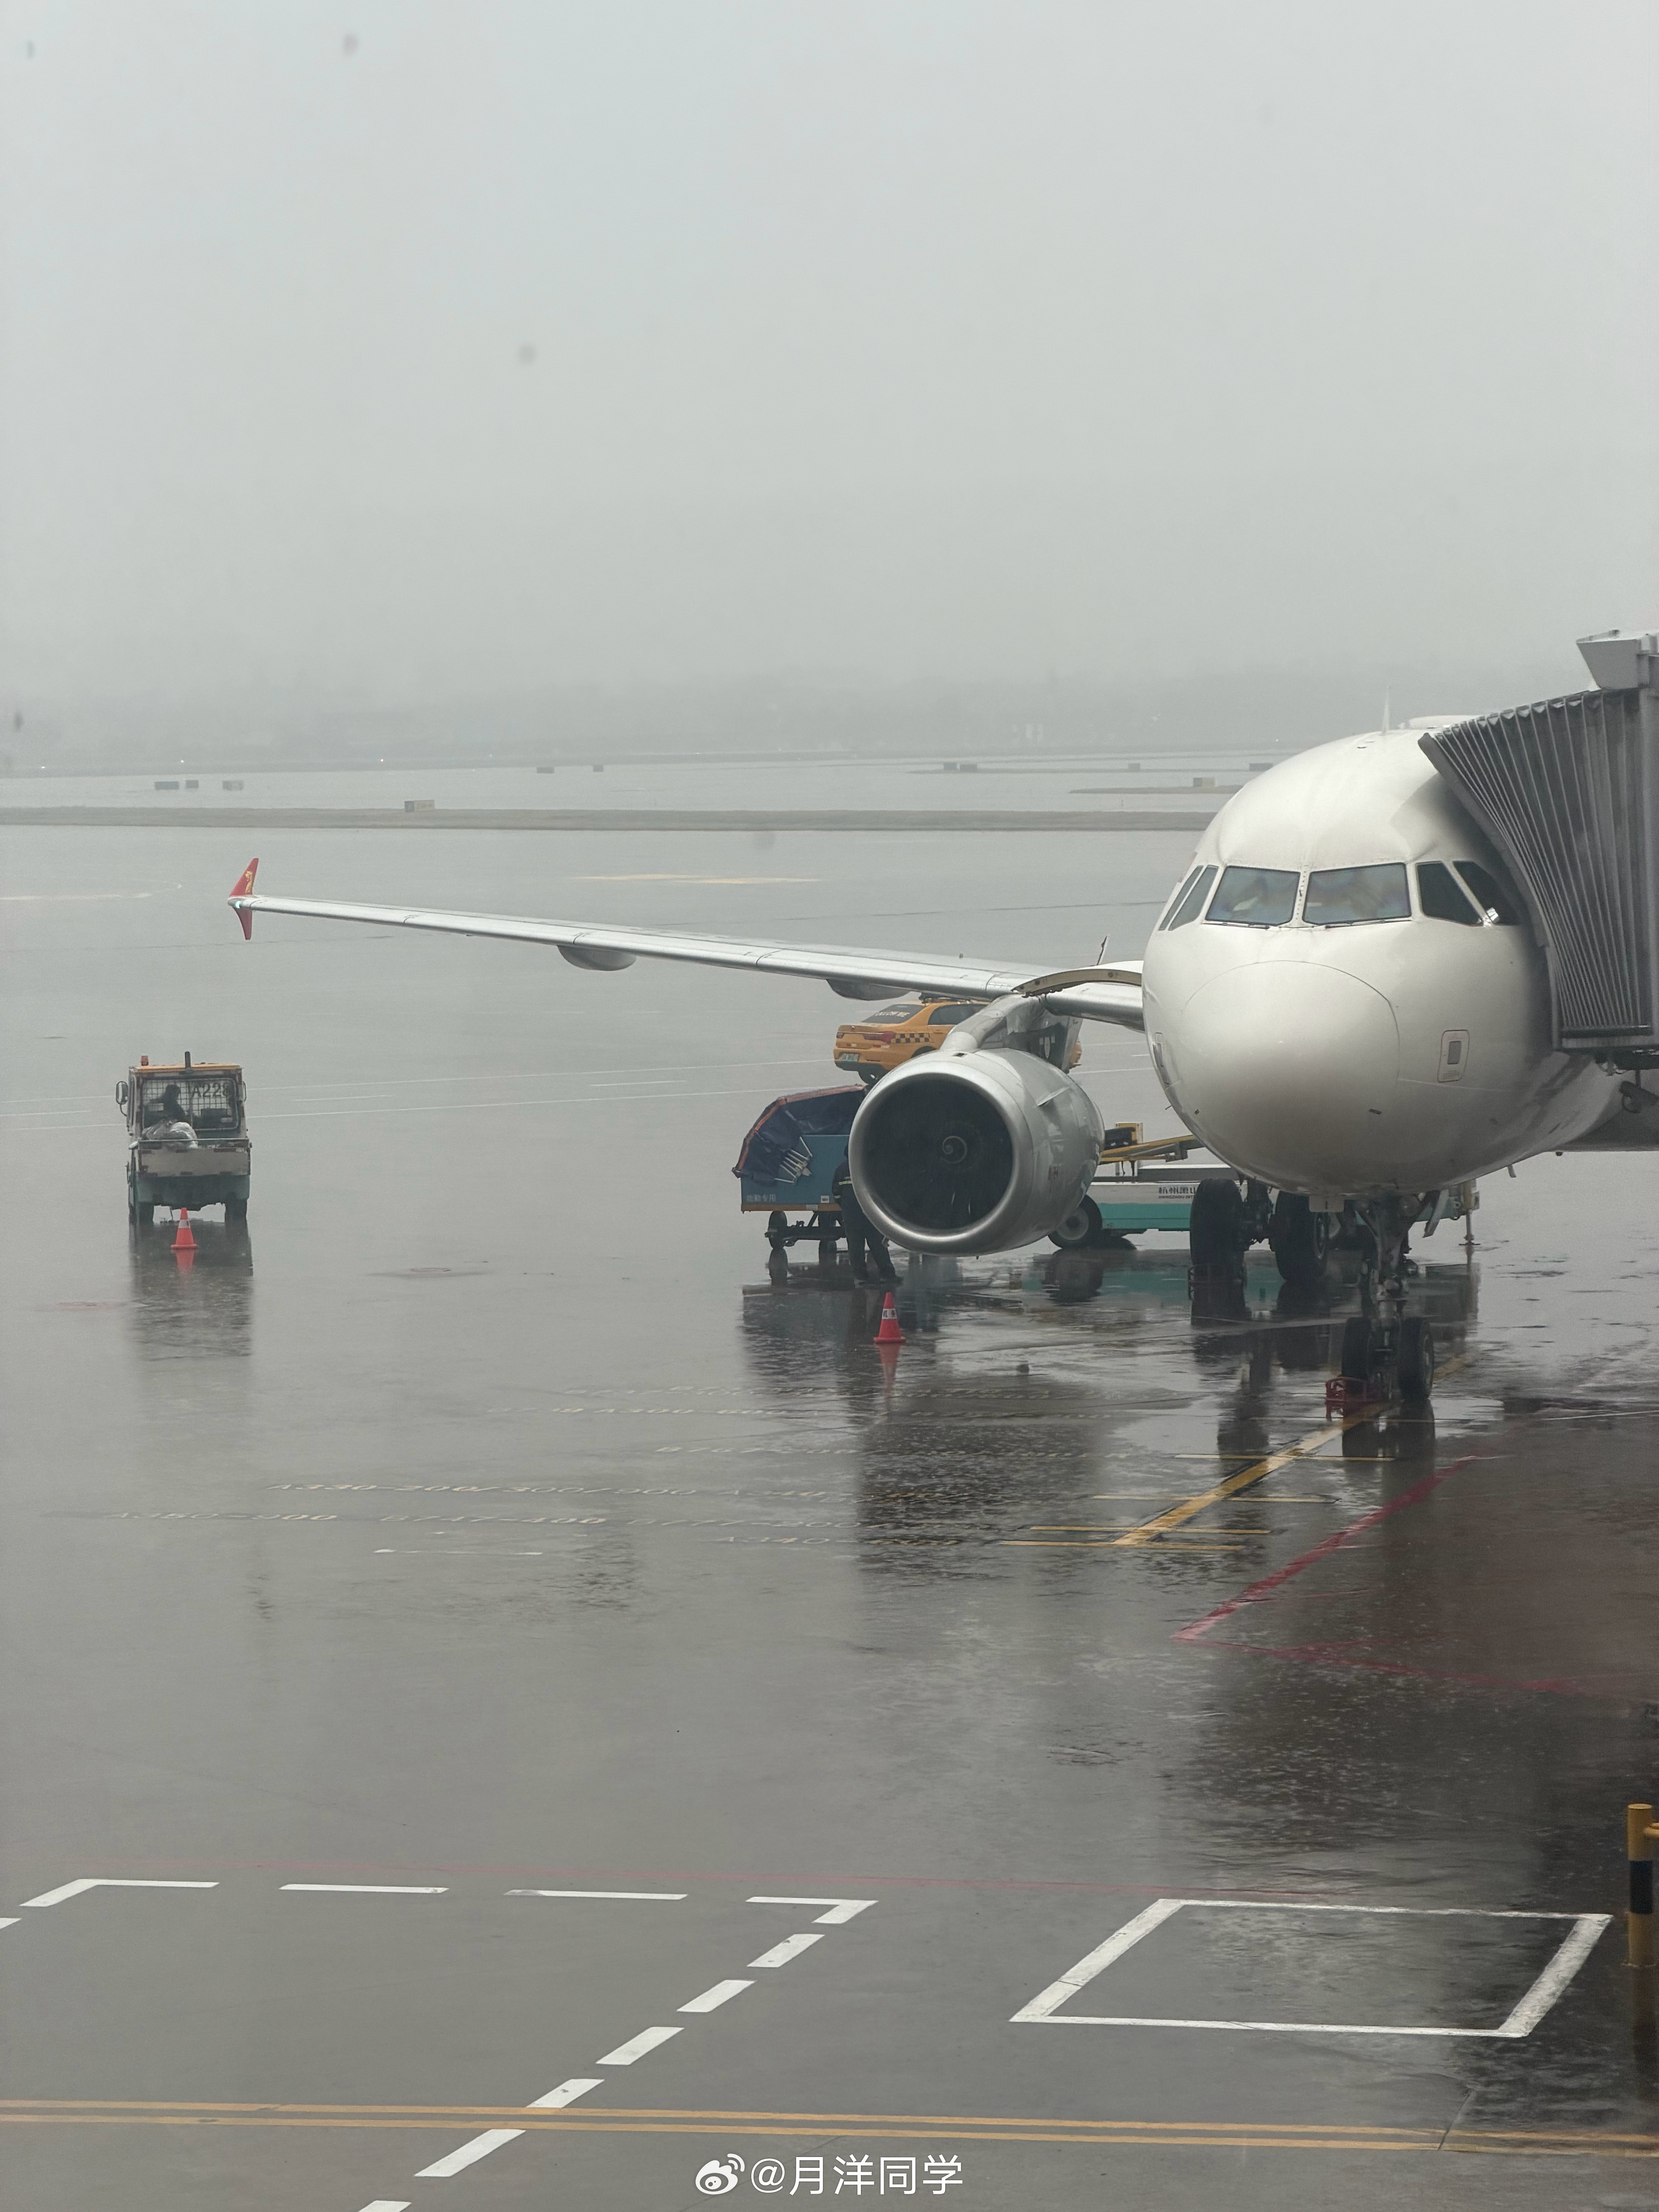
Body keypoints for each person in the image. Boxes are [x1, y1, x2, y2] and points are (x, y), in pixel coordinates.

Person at [831, 1156, 897, 1286]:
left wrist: (845, 1206)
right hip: (870, 1215)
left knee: (855, 1247)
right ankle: (887, 1275)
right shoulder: (870, 1166)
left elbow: (836, 1193)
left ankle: (860, 1277)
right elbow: (883, 1190)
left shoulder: (842, 1169)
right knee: (878, 1245)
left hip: (851, 1216)